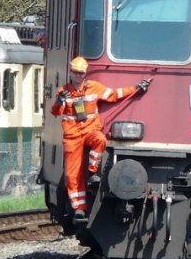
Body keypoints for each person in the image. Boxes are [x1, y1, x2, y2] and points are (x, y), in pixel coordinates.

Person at [51, 56, 150, 223]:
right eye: (75, 72)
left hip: (90, 131)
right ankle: (79, 209)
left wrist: (135, 89)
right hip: (72, 136)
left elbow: (113, 94)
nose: (77, 75)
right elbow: (55, 112)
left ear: (85, 73)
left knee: (100, 140)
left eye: (80, 73)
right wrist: (59, 101)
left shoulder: (93, 88)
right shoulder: (63, 92)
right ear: (71, 72)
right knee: (72, 175)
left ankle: (92, 172)